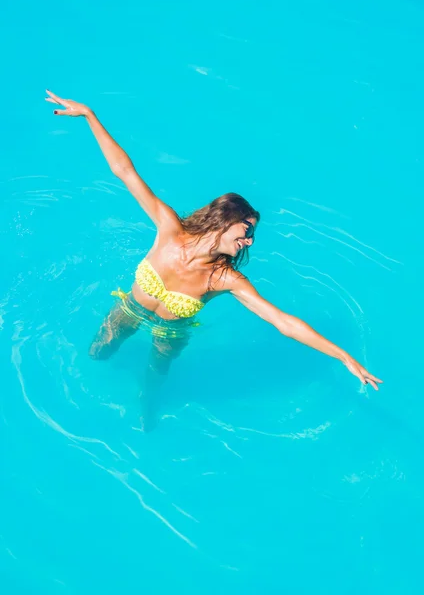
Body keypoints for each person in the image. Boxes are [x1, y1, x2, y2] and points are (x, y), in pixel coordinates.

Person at [46, 90, 382, 425]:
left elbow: (283, 321)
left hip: (170, 334)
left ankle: (147, 405)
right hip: (129, 309)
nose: (249, 241)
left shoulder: (225, 279)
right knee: (97, 355)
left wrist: (342, 356)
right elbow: (125, 171)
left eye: (252, 235)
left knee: (152, 381)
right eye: (246, 230)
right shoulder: (169, 229)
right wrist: (90, 116)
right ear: (224, 221)